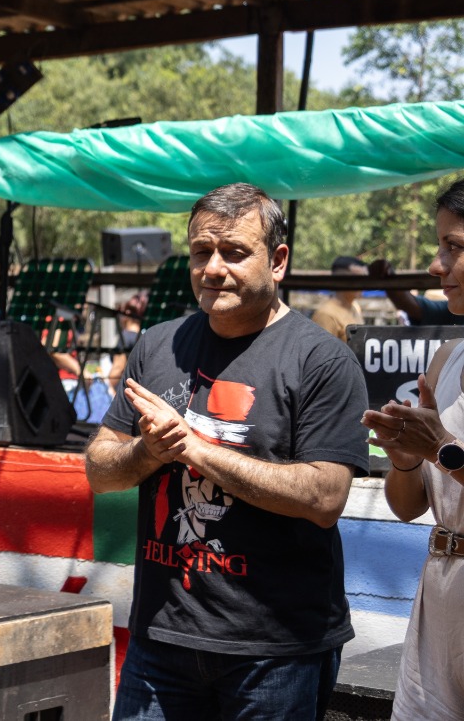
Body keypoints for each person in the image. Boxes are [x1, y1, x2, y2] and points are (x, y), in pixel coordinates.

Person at [86, 183, 368, 721]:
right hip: (161, 640)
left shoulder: (322, 360)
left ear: (278, 261)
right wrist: (148, 451)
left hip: (276, 650)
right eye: (201, 252)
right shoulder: (159, 344)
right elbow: (100, 470)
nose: (213, 268)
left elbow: (324, 496)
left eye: (234, 252)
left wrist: (193, 448)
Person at [363, 179, 464, 720]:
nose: (435, 264)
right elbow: (408, 507)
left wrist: (443, 448)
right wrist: (404, 459)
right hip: (440, 594)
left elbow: (447, 455)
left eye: (455, 247)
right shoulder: (446, 360)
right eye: (439, 245)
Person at [369, 257, 455, 326]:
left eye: (455, 247)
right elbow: (414, 307)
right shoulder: (452, 312)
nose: (434, 267)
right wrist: (388, 277)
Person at [311, 255, 370, 341]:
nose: (363, 283)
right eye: (357, 279)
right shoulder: (326, 315)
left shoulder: (355, 306)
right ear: (341, 280)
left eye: (365, 279)